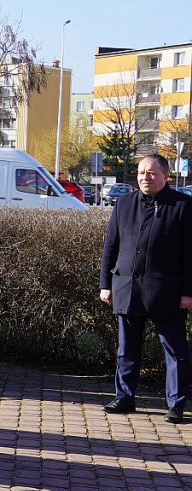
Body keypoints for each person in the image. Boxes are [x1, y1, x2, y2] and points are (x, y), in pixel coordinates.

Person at [100, 154, 192, 424]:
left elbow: (190, 254)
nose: (145, 177)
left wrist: (188, 292)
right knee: (126, 348)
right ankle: (124, 398)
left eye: (151, 173)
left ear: (165, 176)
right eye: (141, 172)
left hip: (168, 293)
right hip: (127, 287)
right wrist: (106, 283)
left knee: (175, 352)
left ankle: (176, 405)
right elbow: (111, 247)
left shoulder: (184, 206)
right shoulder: (124, 203)